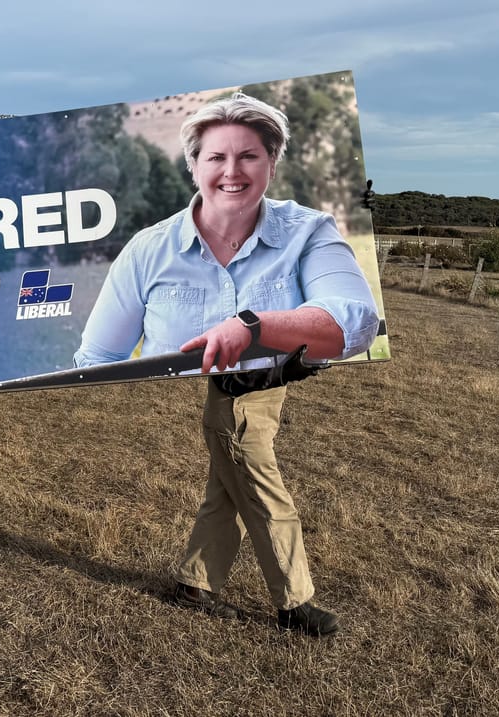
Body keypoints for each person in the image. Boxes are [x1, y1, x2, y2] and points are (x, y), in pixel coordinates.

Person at [74, 94, 380, 635]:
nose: (232, 172)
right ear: (193, 164)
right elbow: (96, 359)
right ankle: (295, 603)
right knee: (264, 494)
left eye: (249, 156)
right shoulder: (150, 249)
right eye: (216, 157)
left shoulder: (309, 231)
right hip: (232, 397)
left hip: (271, 387)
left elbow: (354, 319)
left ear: (272, 162)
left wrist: (256, 326)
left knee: (229, 492)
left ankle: (195, 582)